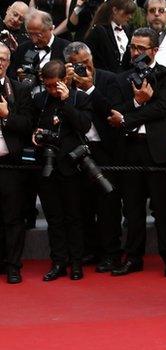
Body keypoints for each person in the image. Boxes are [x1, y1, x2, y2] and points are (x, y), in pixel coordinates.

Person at [107, 28, 166, 278]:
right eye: (132, 47)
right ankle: (134, 258)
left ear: (154, 50)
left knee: (163, 208)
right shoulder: (121, 78)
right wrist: (138, 102)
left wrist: (128, 116)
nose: (135, 52)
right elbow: (115, 112)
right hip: (129, 150)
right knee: (132, 209)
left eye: (140, 48)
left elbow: (163, 108)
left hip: (158, 150)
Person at [63, 41, 125, 272]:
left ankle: (111, 253)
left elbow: (114, 113)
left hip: (104, 150)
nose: (82, 67)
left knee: (108, 205)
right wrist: (67, 87)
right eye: (76, 64)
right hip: (75, 150)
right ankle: (90, 249)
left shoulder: (109, 79)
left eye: (85, 62)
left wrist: (90, 88)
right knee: (82, 204)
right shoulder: (65, 83)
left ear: (92, 58)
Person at [28, 60, 93, 281]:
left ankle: (76, 263)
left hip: (72, 167)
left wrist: (66, 101)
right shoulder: (39, 100)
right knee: (54, 218)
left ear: (65, 80)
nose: (51, 89)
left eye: (54, 84)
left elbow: (84, 126)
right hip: (47, 167)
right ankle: (58, 262)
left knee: (74, 217)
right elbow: (31, 126)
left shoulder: (79, 98)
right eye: (46, 85)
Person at [0, 43, 32, 283]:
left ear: (9, 63)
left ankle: (13, 266)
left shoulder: (19, 90)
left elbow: (26, 125)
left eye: (3, 59)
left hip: (10, 164)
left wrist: (6, 115)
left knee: (13, 217)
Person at [84, 0, 136, 73]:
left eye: (131, 13)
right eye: (126, 12)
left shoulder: (129, 30)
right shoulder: (98, 31)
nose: (130, 17)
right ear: (115, 10)